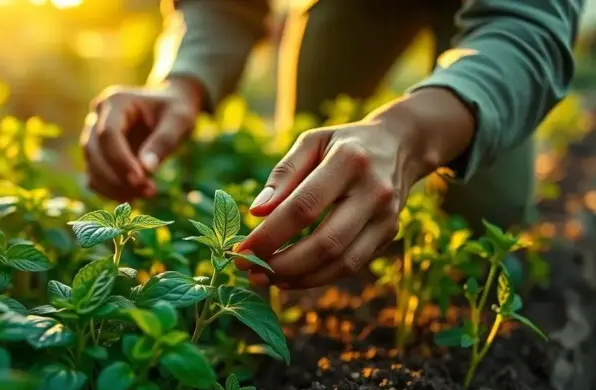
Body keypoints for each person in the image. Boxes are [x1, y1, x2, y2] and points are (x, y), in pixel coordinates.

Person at [80, 0, 583, 290]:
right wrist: (183, 78)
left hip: (496, 16)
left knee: (484, 220)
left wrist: (405, 138)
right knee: (307, 165)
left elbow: (527, 28)